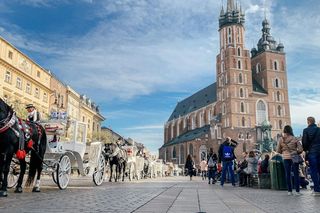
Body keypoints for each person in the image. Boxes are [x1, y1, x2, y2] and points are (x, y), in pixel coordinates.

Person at [277, 125, 303, 196]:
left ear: (284, 131)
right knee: (296, 174)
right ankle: (297, 191)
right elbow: (300, 149)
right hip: (294, 158)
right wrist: (295, 152)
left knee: (287, 174)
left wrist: (283, 151)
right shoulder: (295, 138)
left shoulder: (281, 139)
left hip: (286, 158)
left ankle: (289, 191)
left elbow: (278, 150)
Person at [302, 116, 320, 196]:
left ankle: (317, 190)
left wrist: (306, 150)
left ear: (308, 122)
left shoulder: (305, 130)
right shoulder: (319, 130)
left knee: (313, 171)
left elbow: (304, 143)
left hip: (312, 153)